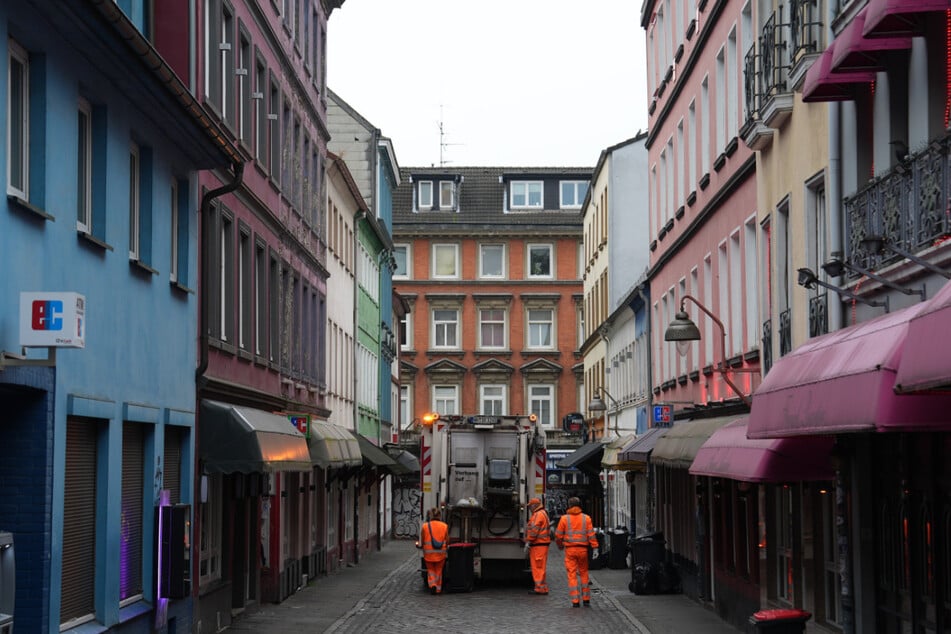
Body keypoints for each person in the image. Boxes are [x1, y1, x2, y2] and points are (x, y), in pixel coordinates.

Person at [554, 496, 599, 607]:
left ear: (569, 506)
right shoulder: (586, 518)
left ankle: (575, 601)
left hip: (570, 550)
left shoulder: (564, 519)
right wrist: (595, 548)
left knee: (572, 575)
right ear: (579, 505)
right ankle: (586, 599)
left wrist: (560, 546)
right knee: (584, 573)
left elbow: (558, 536)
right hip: (583, 550)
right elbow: (591, 535)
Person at [419, 506, 449, 594]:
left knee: (431, 570)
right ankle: (438, 589)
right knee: (439, 571)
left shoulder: (425, 526)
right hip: (440, 554)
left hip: (428, 554)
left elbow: (423, 539)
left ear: (431, 516)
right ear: (440, 516)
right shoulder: (444, 526)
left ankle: (432, 585)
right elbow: (447, 540)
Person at [524, 497, 550, 594]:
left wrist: (528, 541)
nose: (530, 508)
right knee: (540, 567)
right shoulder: (542, 513)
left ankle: (540, 588)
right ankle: (541, 588)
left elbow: (534, 530)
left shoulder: (538, 515)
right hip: (541, 545)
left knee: (538, 568)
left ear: (534, 505)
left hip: (538, 545)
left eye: (530, 506)